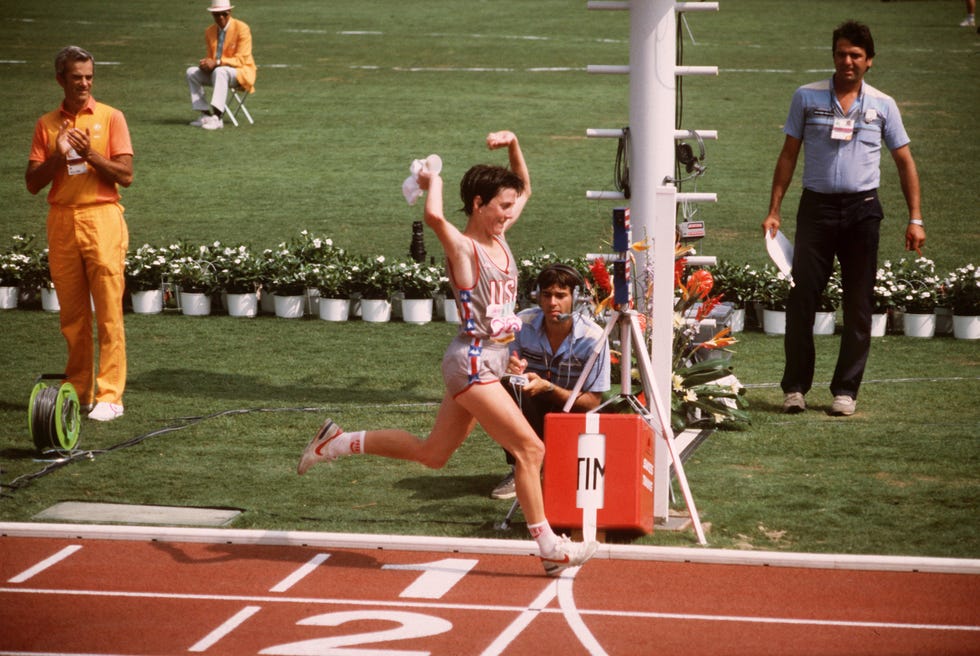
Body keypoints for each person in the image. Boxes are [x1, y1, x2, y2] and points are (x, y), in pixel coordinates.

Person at [298, 131, 599, 576]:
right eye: (501, 206)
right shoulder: (464, 247)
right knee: (531, 450)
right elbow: (435, 215)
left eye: (511, 207)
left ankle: (338, 441)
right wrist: (431, 177)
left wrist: (515, 142)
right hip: (471, 362)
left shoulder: (500, 235)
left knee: (433, 454)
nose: (510, 213)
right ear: (478, 204)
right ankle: (549, 547)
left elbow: (525, 187)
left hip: (489, 362)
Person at [761, 21, 925, 417]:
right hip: (815, 209)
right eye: (841, 53)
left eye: (855, 55)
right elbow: (788, 154)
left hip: (862, 212)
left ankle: (845, 391)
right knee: (802, 297)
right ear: (833, 55)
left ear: (869, 61)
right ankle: (795, 388)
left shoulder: (883, 105)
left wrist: (915, 217)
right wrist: (774, 209)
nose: (847, 61)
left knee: (858, 304)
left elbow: (904, 161)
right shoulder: (806, 97)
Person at [26, 45, 134, 422]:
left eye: (89, 76)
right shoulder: (46, 124)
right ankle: (81, 388)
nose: (84, 83)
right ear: (61, 79)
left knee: (107, 310)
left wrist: (91, 155)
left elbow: (126, 175)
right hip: (62, 220)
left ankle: (110, 394)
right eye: (76, 77)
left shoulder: (112, 117)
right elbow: (32, 183)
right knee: (72, 315)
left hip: (102, 217)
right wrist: (57, 156)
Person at [491, 263, 611, 500]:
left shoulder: (593, 337)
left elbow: (592, 402)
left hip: (573, 411)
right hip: (531, 401)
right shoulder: (521, 324)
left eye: (560, 296)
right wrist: (504, 365)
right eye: (546, 295)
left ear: (576, 299)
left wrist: (549, 388)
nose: (552, 303)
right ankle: (520, 468)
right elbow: (497, 364)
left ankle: (551, 463)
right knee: (500, 387)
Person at [185, 0, 256, 130]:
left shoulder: (242, 28)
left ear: (230, 12)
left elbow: (241, 60)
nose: (221, 17)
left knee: (220, 71)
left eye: (224, 14)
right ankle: (205, 115)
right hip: (219, 73)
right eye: (217, 14)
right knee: (191, 72)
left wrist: (217, 62)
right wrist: (206, 63)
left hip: (241, 73)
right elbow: (212, 57)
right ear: (212, 14)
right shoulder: (209, 31)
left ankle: (217, 117)